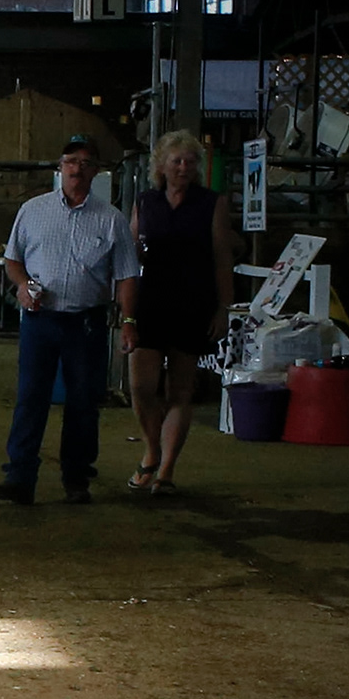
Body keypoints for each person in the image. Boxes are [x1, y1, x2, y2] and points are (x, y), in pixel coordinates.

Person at [0, 135, 141, 506]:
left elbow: (126, 275)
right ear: (60, 167)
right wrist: (23, 286)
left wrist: (129, 320)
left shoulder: (112, 221)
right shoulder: (33, 211)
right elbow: (13, 259)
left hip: (85, 323)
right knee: (31, 397)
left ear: (95, 172)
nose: (77, 169)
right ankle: (20, 477)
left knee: (84, 401)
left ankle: (77, 479)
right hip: (40, 320)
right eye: (71, 161)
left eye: (85, 163)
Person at [128, 129, 236, 496]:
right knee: (140, 386)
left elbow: (223, 259)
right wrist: (123, 303)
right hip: (150, 302)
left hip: (192, 303)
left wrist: (224, 307)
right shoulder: (145, 202)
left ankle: (167, 469)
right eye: (177, 161)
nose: (184, 167)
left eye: (190, 162)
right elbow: (129, 253)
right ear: (161, 165)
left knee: (180, 390)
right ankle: (152, 448)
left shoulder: (212, 204)